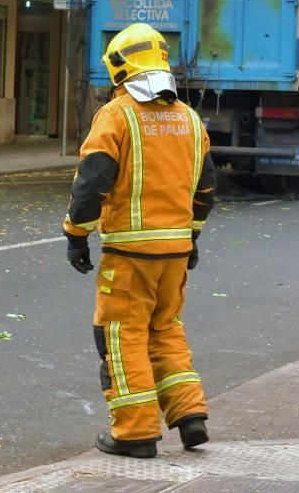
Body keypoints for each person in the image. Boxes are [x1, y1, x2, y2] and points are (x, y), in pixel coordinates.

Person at [62, 22, 216, 459]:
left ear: (119, 67)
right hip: (175, 253)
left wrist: (75, 235)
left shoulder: (117, 115)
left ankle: (135, 433)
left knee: (121, 335)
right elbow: (206, 189)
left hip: (130, 255)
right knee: (165, 329)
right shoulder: (189, 118)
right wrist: (191, 235)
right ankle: (190, 417)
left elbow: (92, 183)